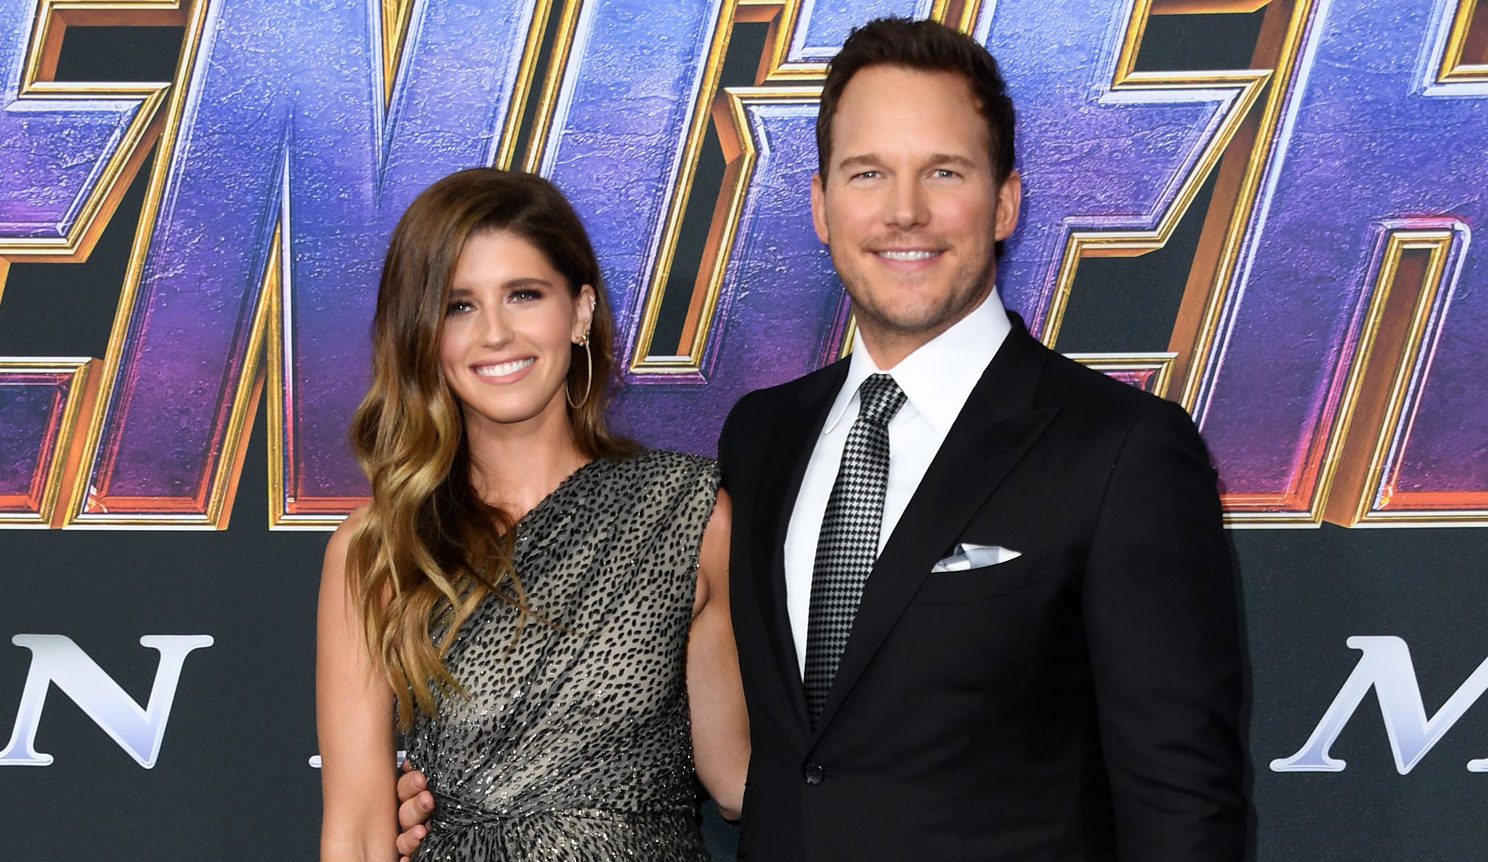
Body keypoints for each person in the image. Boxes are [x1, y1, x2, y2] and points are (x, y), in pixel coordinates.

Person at [397, 17, 1245, 861]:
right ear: (821, 206)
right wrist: (461, 795)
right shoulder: (765, 437)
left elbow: (1183, 805)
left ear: (1005, 203)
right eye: (868, 173)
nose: (904, 211)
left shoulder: (1122, 451)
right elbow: (717, 738)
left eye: (943, 171)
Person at [316, 168, 748, 861]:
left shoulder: (685, 512)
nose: (495, 333)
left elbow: (737, 782)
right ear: (423, 335)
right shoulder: (381, 547)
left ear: (579, 311)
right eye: (459, 306)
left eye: (523, 295)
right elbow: (359, 835)